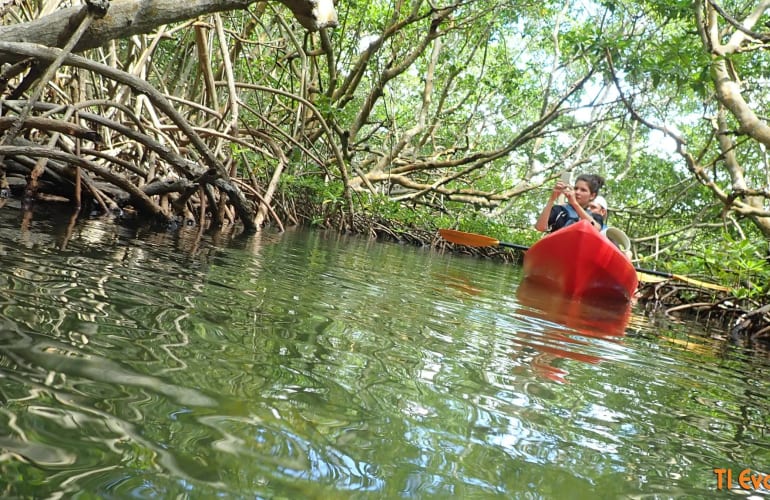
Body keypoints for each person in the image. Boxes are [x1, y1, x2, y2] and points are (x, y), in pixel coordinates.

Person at [535, 173, 605, 233]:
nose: (577, 192)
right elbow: (540, 227)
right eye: (576, 188)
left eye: (583, 190)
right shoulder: (560, 210)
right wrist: (552, 199)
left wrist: (575, 204)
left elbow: (595, 229)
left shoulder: (594, 216)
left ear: (592, 196)